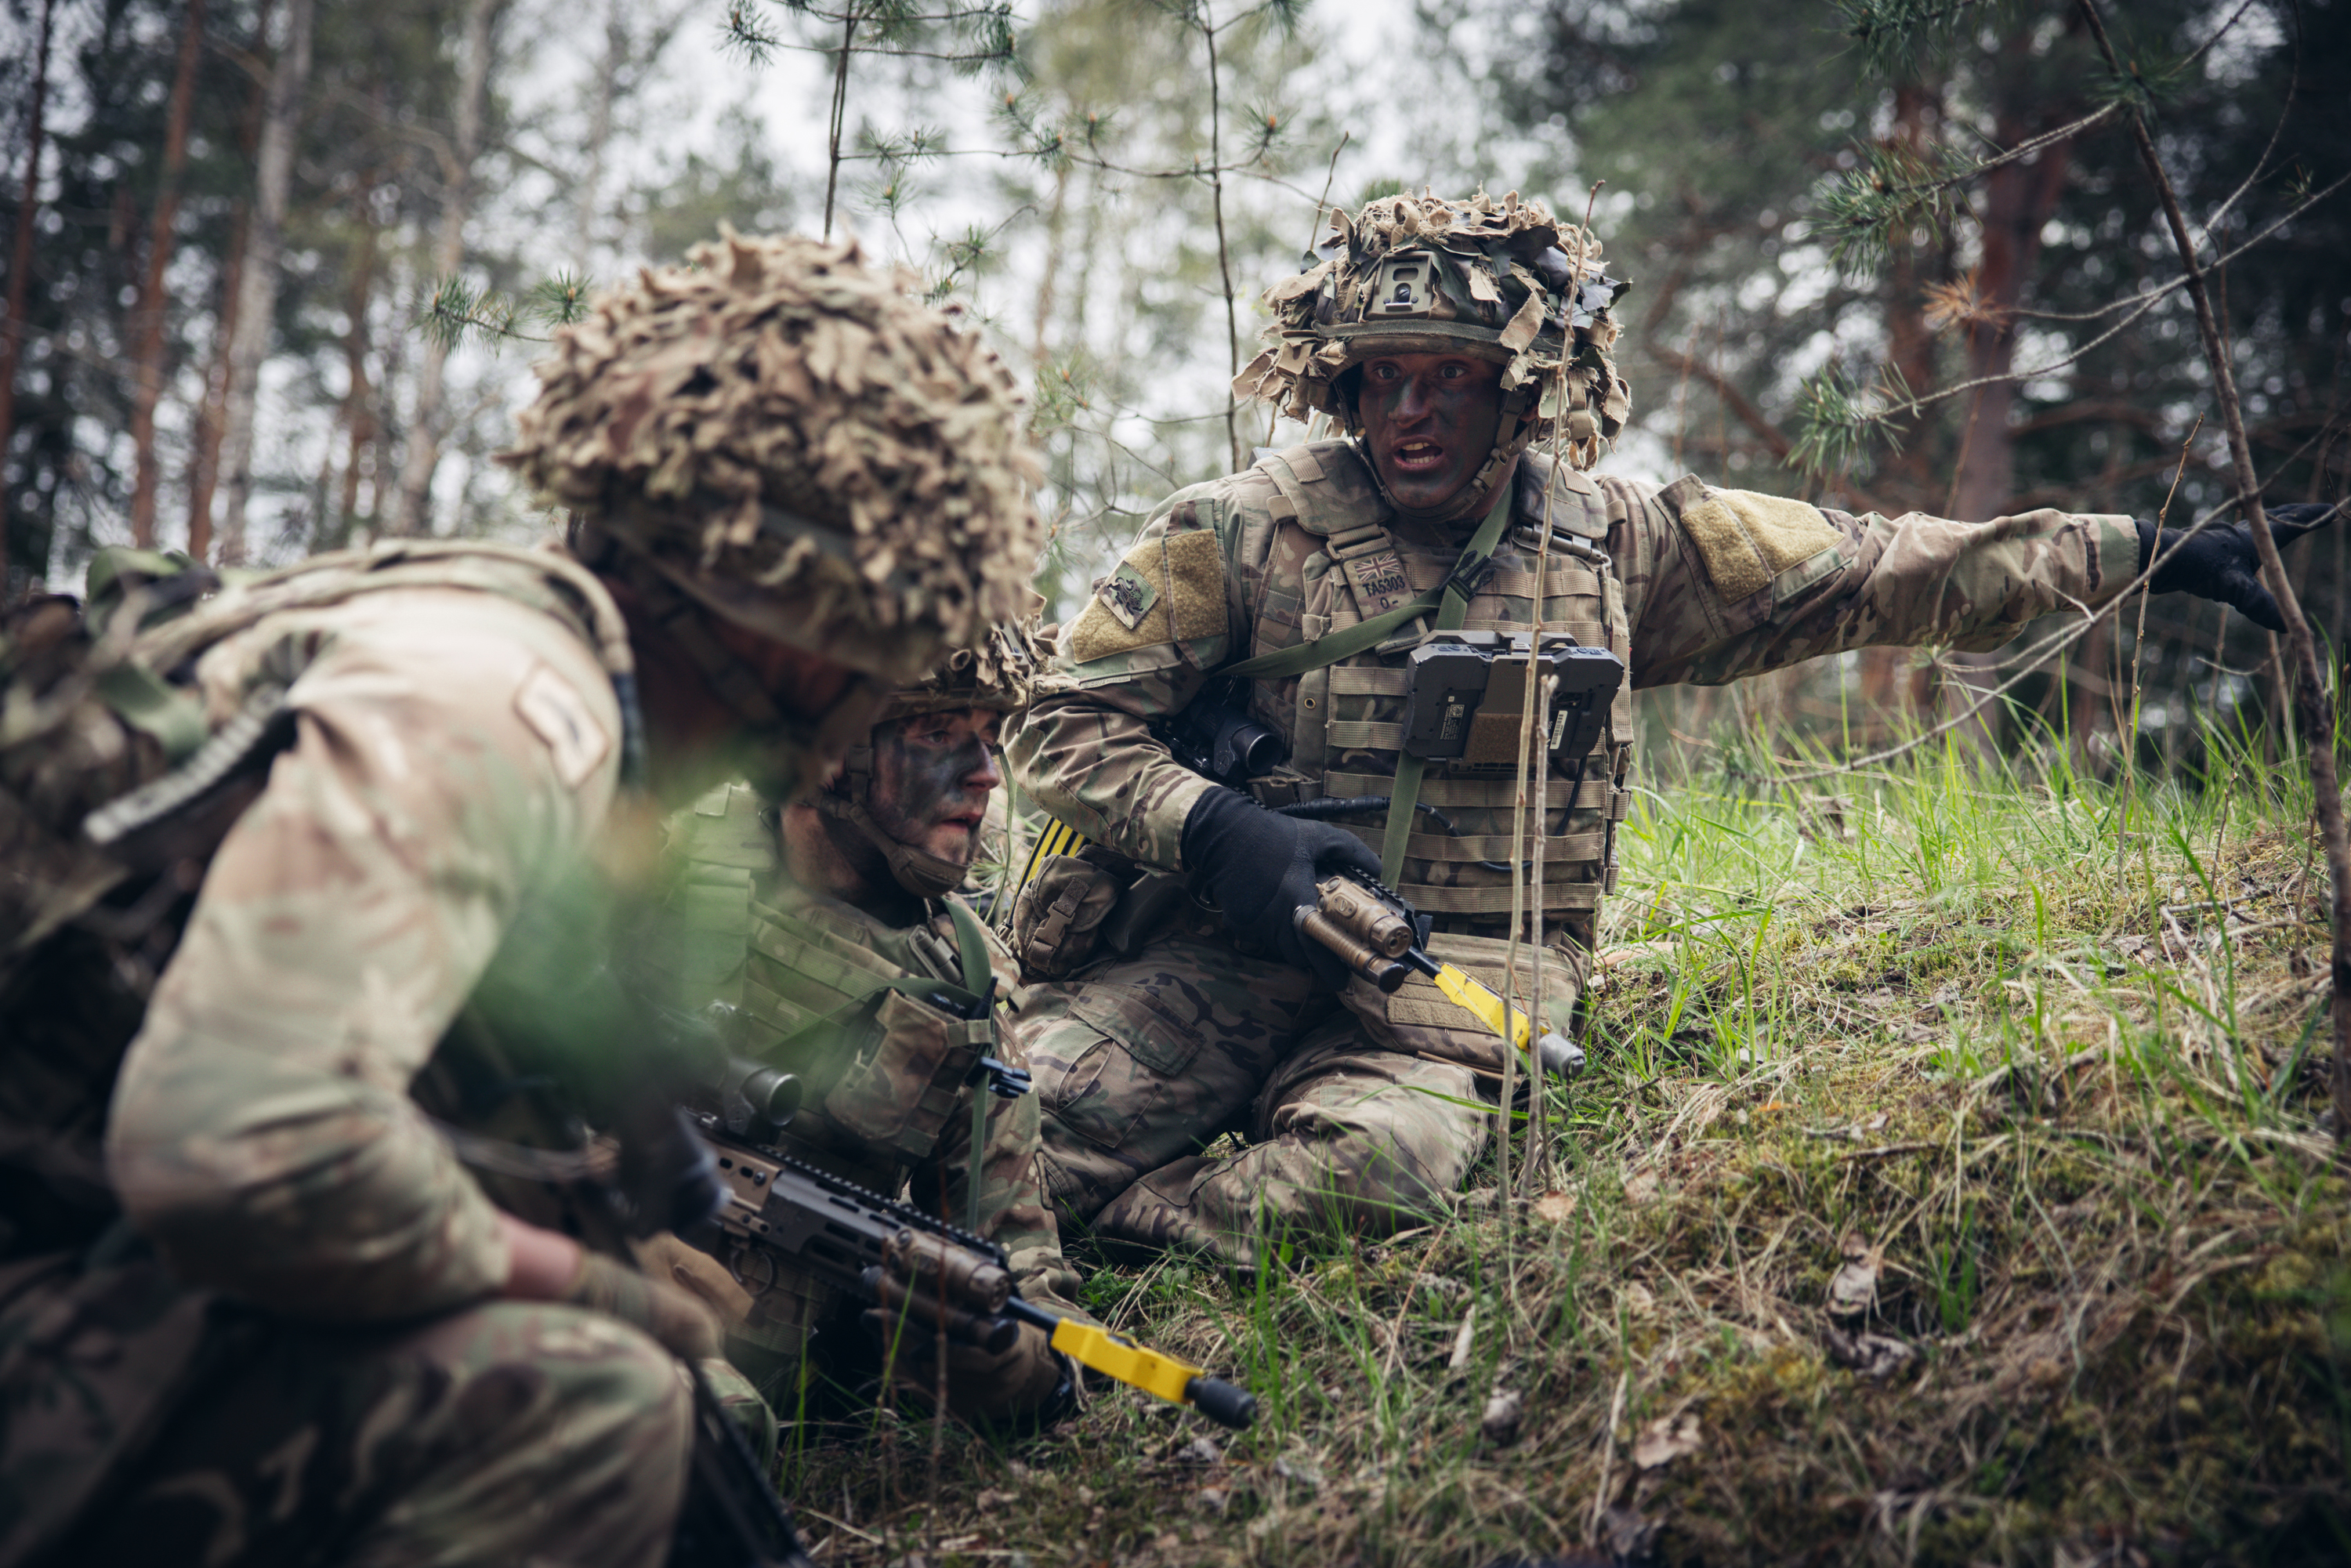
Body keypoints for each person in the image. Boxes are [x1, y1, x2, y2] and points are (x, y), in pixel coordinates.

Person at [1002, 187, 2336, 1274]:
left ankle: (1144, 1230)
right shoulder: (1241, 530)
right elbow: (1058, 728)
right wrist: (1217, 826)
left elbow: (1882, 566)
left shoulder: (1620, 543)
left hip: (1451, 985)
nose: (1409, 412)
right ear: (1343, 387)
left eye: (1449, 381)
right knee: (1007, 1140)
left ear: (1524, 392)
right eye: (1385, 379)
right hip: (1224, 949)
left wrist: (2141, 550)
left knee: (1374, 1183)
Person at [0, 230, 1044, 1568]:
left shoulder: (493, 627)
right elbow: (232, 1147)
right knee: (590, 1407)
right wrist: (594, 1288)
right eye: (891, 641)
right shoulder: (506, 703)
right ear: (800, 619)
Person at [652, 617, 1085, 1433]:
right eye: (936, 734)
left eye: (991, 739)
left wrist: (1008, 1366)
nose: (986, 775)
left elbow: (1024, 1264)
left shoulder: (965, 981)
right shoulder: (658, 849)